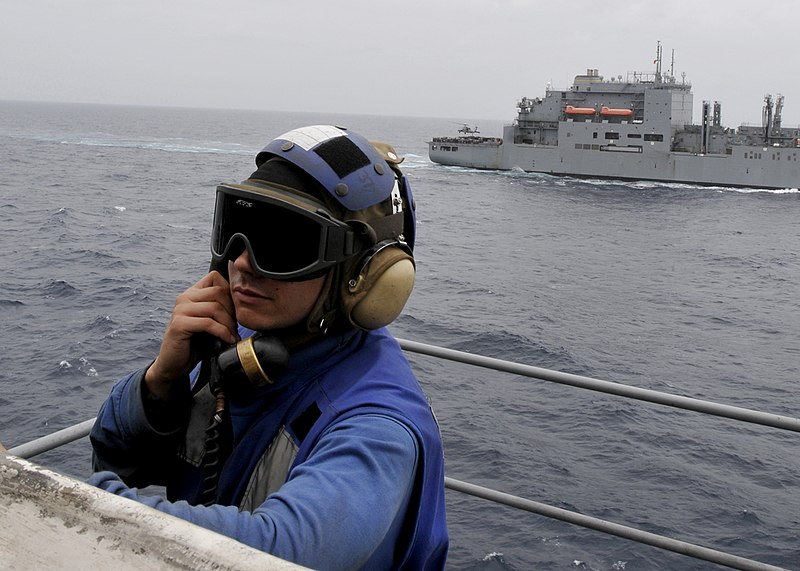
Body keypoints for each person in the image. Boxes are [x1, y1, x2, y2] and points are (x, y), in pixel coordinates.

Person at [89, 125, 448, 570]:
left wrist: (59, 499)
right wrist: (161, 380)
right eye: (238, 230)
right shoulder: (237, 351)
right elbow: (114, 460)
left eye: (281, 243)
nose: (241, 262)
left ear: (364, 276)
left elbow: (276, 554)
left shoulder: (378, 425)